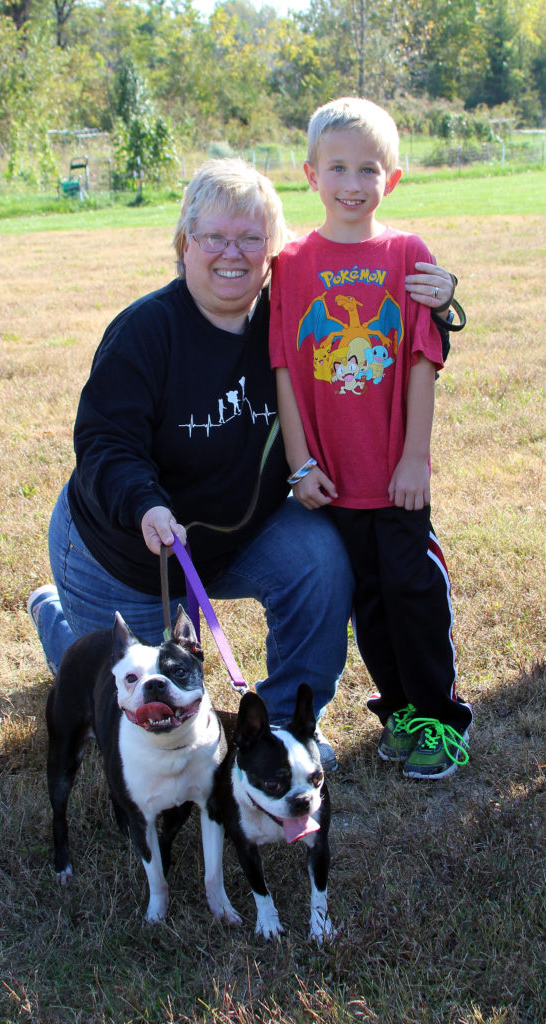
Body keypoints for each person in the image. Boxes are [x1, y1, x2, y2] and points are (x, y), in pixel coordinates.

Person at [28, 157, 460, 773]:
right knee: (137, 718)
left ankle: (284, 725)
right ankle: (58, 621)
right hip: (123, 551)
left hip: (232, 541)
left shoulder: (284, 327)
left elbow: (376, 359)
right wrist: (145, 503)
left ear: (272, 251)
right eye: (214, 237)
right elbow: (105, 442)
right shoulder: (144, 332)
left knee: (320, 555)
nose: (231, 254)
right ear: (185, 244)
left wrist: (440, 302)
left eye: (251, 239)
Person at [269, 99, 472, 780]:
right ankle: (402, 714)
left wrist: (414, 456)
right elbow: (285, 370)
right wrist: (299, 463)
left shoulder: (407, 253)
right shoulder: (291, 263)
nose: (352, 183)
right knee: (368, 605)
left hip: (394, 476)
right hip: (332, 480)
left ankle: (441, 720)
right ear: (310, 173)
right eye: (338, 168)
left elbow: (421, 355)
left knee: (413, 591)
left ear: (394, 178)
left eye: (368, 169)